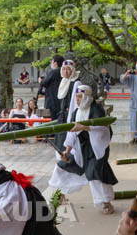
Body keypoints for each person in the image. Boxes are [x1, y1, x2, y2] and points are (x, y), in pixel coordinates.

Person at [49, 84, 117, 214]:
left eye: (80, 97)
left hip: (96, 148)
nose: (77, 100)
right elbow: (71, 133)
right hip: (80, 148)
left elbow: (102, 129)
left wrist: (84, 127)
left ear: (87, 96)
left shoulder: (97, 109)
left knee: (95, 173)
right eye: (76, 97)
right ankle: (60, 195)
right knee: (62, 166)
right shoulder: (76, 112)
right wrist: (67, 152)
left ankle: (105, 202)